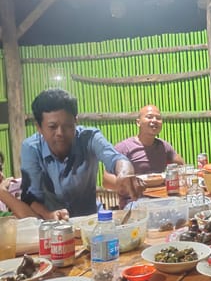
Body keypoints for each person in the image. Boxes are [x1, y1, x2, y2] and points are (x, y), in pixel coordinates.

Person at [20, 89, 143, 220]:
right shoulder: (31, 148)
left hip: (91, 221)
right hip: (54, 227)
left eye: (67, 125)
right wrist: (49, 215)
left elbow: (116, 159)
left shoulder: (89, 137)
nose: (60, 132)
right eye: (52, 127)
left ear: (76, 121)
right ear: (39, 127)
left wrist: (125, 173)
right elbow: (31, 197)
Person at [103, 104, 184, 208]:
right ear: (138, 122)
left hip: (161, 198)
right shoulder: (124, 147)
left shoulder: (164, 146)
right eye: (149, 117)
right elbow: (106, 181)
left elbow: (182, 167)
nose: (154, 120)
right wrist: (129, 185)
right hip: (134, 201)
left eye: (158, 118)